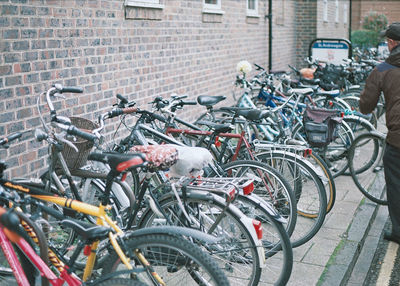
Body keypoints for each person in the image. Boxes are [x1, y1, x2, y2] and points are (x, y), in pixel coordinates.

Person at [360, 22, 400, 244]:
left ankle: (398, 231)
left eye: (387, 40)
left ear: (392, 43)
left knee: (396, 184)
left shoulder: (383, 69)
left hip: (398, 141)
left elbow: (366, 106)